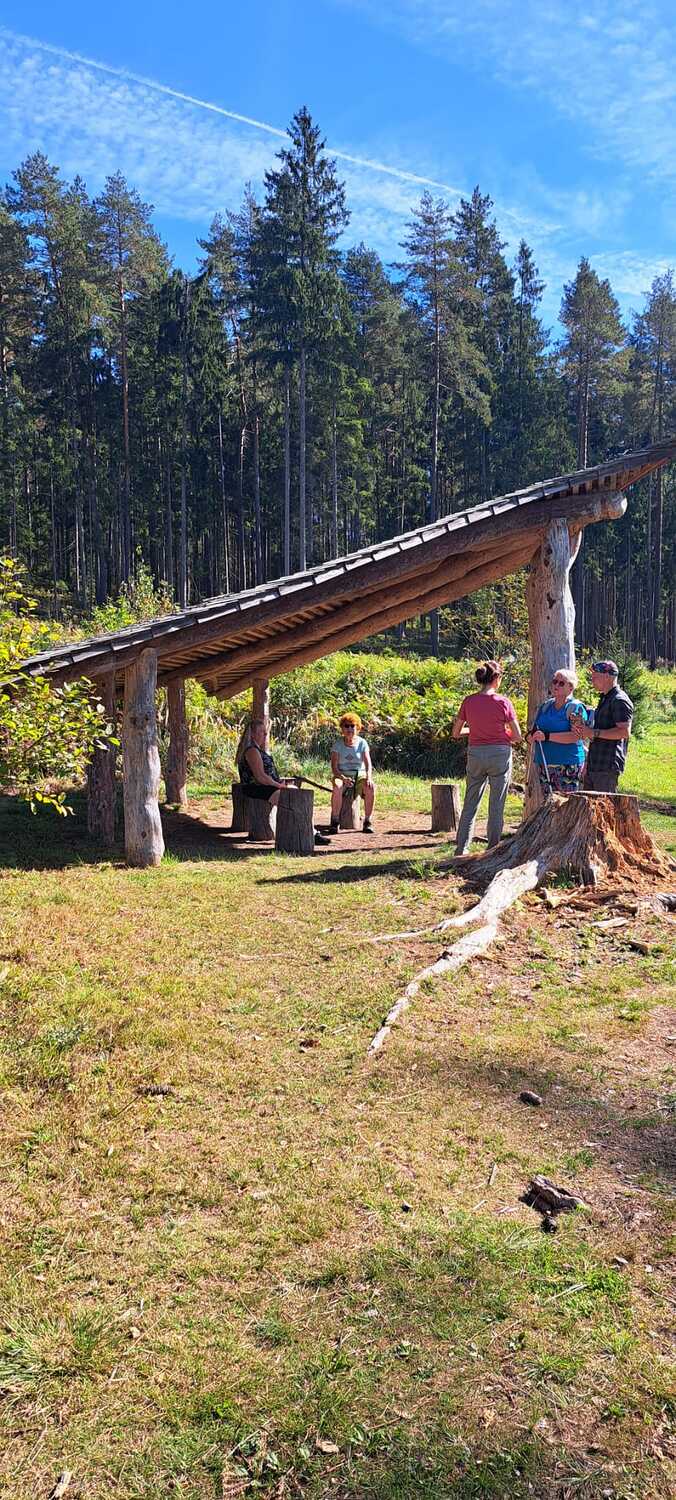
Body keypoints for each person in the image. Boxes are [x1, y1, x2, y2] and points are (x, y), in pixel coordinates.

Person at [452, 661, 522, 856]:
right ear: (496, 678)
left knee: (470, 802)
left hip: (476, 752)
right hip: (499, 754)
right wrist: (500, 734)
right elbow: (517, 735)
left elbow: (456, 733)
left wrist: (474, 730)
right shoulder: (503, 702)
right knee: (496, 804)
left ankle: (461, 848)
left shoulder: (469, 701)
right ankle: (492, 849)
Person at [237, 719, 330, 844]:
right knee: (292, 798)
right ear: (253, 734)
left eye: (265, 732)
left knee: (296, 793)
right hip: (257, 788)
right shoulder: (252, 751)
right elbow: (260, 777)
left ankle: (310, 831)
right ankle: (309, 833)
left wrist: (278, 783)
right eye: (262, 732)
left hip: (266, 786)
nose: (265, 734)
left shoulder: (258, 749)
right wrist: (278, 785)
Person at [529, 667, 589, 796]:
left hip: (568, 764)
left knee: (565, 804)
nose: (556, 685)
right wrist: (531, 736)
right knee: (548, 803)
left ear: (571, 688)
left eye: (561, 683)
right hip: (544, 763)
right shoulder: (545, 706)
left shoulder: (575, 708)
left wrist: (547, 736)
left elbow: (576, 736)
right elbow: (535, 730)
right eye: (555, 681)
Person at [576, 659, 634, 792]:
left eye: (595, 676)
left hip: (607, 767)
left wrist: (593, 732)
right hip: (594, 765)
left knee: (603, 804)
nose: (592, 680)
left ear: (607, 676)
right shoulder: (605, 698)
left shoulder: (619, 700)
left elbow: (624, 732)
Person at [329, 713, 376, 834]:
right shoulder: (338, 744)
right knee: (337, 786)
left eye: (352, 726)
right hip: (341, 775)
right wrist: (343, 778)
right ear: (342, 728)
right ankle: (335, 820)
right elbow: (334, 767)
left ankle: (368, 820)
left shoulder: (362, 743)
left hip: (359, 775)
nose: (349, 729)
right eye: (346, 726)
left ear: (357, 728)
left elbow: (368, 764)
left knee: (370, 787)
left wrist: (369, 778)